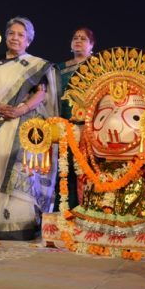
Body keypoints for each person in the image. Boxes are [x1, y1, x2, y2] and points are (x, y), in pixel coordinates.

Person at [0, 17, 58, 240]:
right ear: (6, 37)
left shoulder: (34, 64)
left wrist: (21, 109)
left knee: (21, 171)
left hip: (22, 125)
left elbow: (41, 92)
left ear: (28, 40)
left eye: (21, 35)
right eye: (12, 34)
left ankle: (19, 225)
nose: (15, 38)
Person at [54, 27, 95, 210]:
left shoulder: (98, 67)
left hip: (90, 128)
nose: (78, 41)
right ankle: (64, 211)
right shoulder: (59, 69)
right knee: (65, 170)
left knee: (87, 170)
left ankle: (87, 210)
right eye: (75, 38)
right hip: (65, 126)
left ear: (91, 45)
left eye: (84, 38)